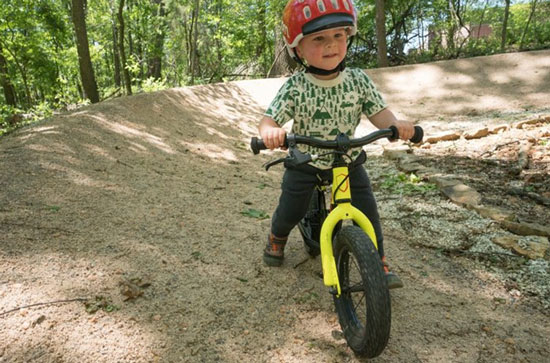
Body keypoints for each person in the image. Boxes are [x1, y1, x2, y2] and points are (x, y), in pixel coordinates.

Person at [258, 0, 414, 289]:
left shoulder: (357, 81)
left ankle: (378, 259)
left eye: (338, 36)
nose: (331, 45)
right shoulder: (296, 86)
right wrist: (271, 132)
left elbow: (380, 114)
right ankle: (277, 236)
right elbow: (269, 119)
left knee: (366, 210)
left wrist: (396, 125)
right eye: (319, 38)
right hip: (307, 161)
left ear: (348, 37)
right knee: (292, 207)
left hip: (347, 160)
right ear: (298, 48)